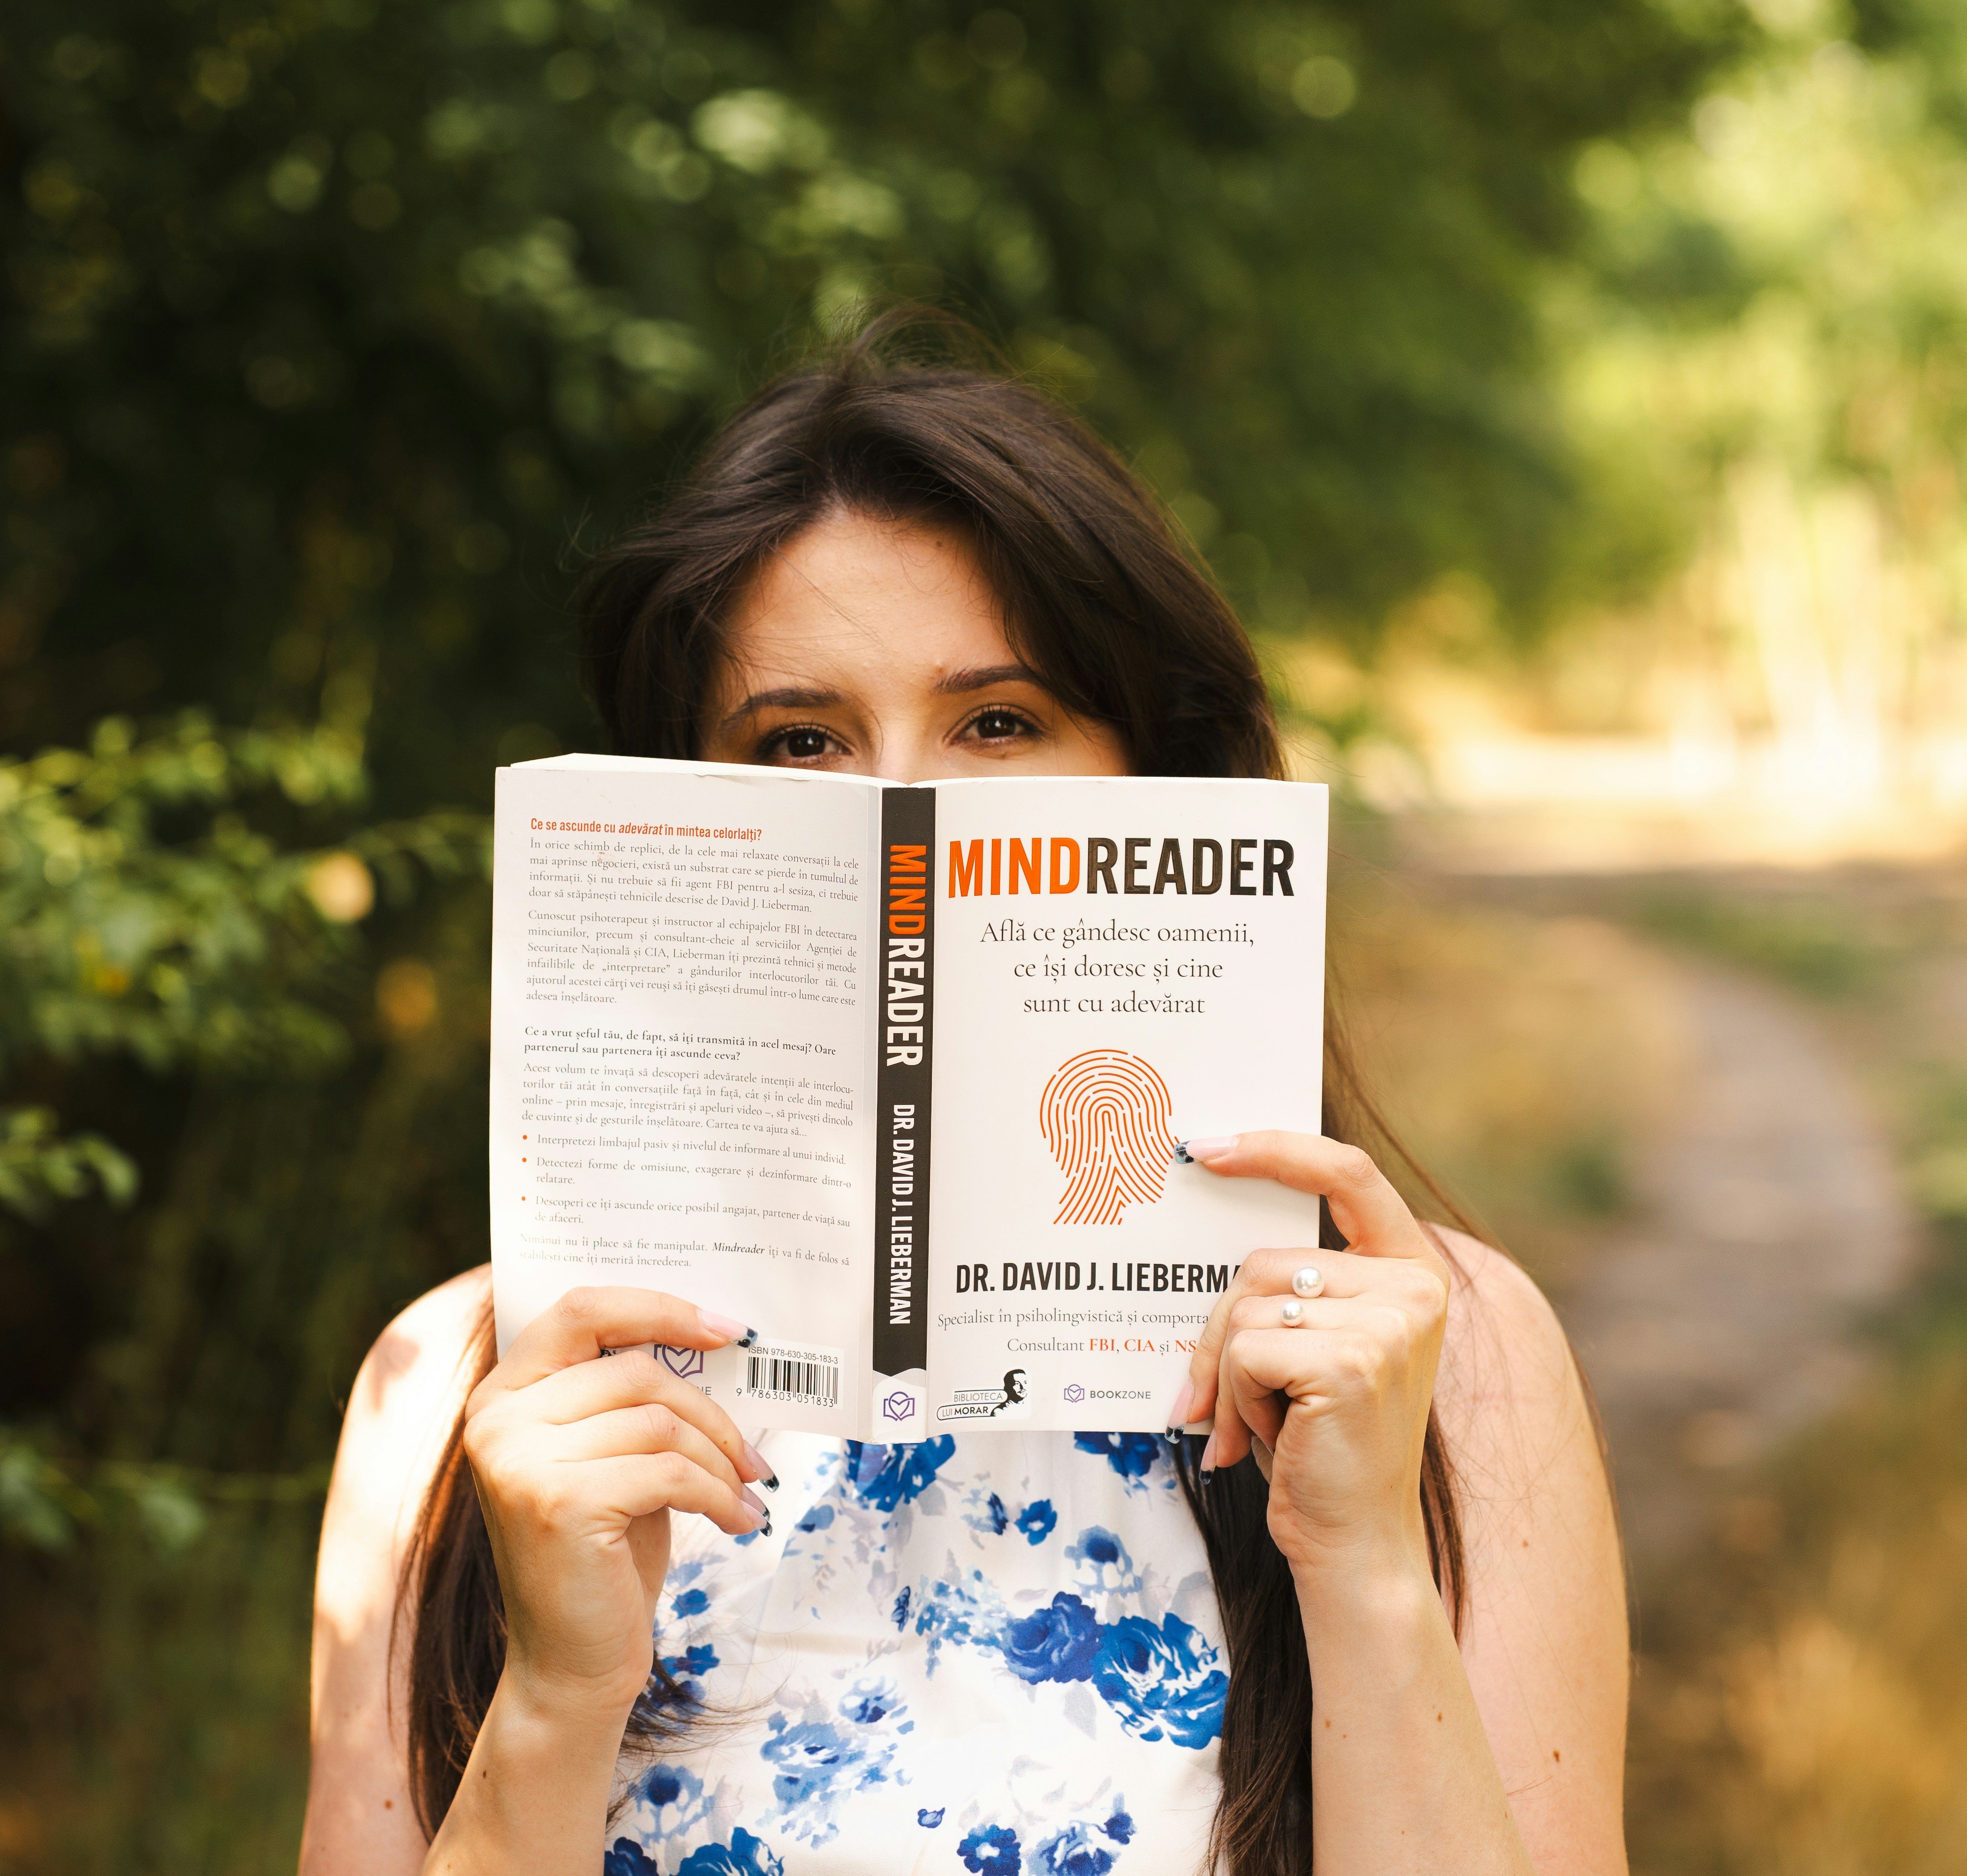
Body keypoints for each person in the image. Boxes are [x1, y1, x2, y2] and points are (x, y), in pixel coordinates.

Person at [301, 318, 1626, 1876]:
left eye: (999, 723)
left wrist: (1364, 1567)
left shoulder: (1445, 1362)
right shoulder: (466, 1393)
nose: (904, 820)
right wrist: (557, 1694)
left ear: (1161, 779)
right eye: (802, 741)